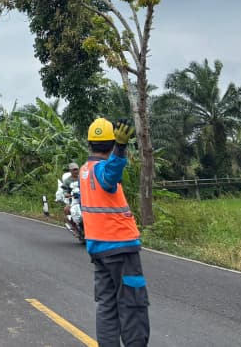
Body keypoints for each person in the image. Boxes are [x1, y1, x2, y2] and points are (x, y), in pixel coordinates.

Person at [79, 118, 150, 346]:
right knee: (132, 304)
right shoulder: (101, 170)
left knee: (107, 307)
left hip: (98, 249)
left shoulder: (84, 171)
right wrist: (121, 148)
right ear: (111, 144)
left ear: (89, 143)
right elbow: (111, 173)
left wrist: (117, 148)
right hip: (120, 247)